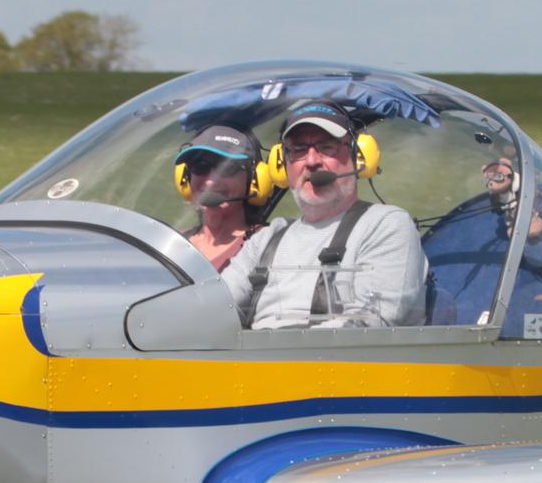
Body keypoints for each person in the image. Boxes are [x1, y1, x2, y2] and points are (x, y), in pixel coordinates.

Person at [223, 99, 427, 328]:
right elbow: (213, 310)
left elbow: (369, 325)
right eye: (298, 150)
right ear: (282, 165)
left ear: (357, 156)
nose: (311, 161)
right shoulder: (267, 239)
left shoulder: (386, 225)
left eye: (327, 146)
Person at [175, 124, 266, 271]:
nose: (211, 181)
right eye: (200, 166)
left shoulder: (266, 245)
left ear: (253, 178)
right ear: (186, 177)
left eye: (228, 168)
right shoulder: (173, 242)